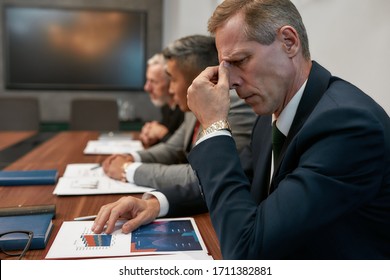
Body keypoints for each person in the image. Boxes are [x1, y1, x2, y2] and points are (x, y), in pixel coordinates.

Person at [93, 0, 390, 259]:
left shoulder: (347, 126)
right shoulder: (270, 110)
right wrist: (157, 202)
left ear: (289, 42)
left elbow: (245, 250)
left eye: (240, 61)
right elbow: (238, 177)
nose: (231, 81)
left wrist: (213, 126)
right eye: (224, 67)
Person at [94, 35, 256, 224]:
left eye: (172, 80)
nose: (170, 90)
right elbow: (172, 148)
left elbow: (201, 176)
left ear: (197, 79)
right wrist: (131, 157)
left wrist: (128, 169)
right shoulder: (193, 106)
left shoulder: (233, 104)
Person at [139, 53, 184, 148]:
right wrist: (150, 136)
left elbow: (183, 151)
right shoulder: (166, 107)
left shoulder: (186, 109)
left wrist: (161, 133)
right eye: (147, 80)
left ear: (170, 81)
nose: (147, 88)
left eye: (154, 82)